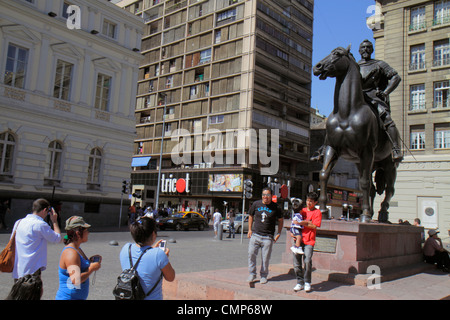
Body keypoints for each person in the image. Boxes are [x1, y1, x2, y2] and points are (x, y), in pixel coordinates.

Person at [119, 217, 175, 300]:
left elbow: (141, 256)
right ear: (153, 234)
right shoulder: (158, 254)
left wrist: (151, 249)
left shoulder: (126, 248)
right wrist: (164, 258)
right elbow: (171, 277)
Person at [11, 198, 62, 282]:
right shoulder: (40, 224)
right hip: (32, 269)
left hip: (18, 268)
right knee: (31, 294)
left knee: (18, 294)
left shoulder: (18, 222)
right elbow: (57, 238)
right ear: (45, 210)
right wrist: (54, 221)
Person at [55, 216, 102, 300]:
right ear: (78, 233)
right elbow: (76, 280)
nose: (88, 233)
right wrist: (91, 268)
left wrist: (91, 261)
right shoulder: (71, 253)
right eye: (86, 230)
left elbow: (79, 266)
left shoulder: (77, 249)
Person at [247, 187, 283, 284]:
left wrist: (279, 233)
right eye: (263, 195)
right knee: (251, 254)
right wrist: (250, 229)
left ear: (271, 196)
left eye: (267, 195)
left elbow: (280, 220)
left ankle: (263, 275)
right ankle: (252, 274)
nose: (265, 197)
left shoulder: (276, 207)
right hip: (255, 234)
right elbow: (250, 215)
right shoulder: (256, 204)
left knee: (265, 258)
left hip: (268, 237)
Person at [292, 192, 322, 293]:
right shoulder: (302, 210)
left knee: (307, 261)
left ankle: (307, 282)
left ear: (315, 202)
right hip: (298, 239)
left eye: (311, 201)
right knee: (296, 262)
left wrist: (303, 223)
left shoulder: (317, 212)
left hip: (309, 240)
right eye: (307, 200)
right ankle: (299, 282)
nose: (308, 203)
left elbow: (314, 226)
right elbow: (294, 222)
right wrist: (293, 232)